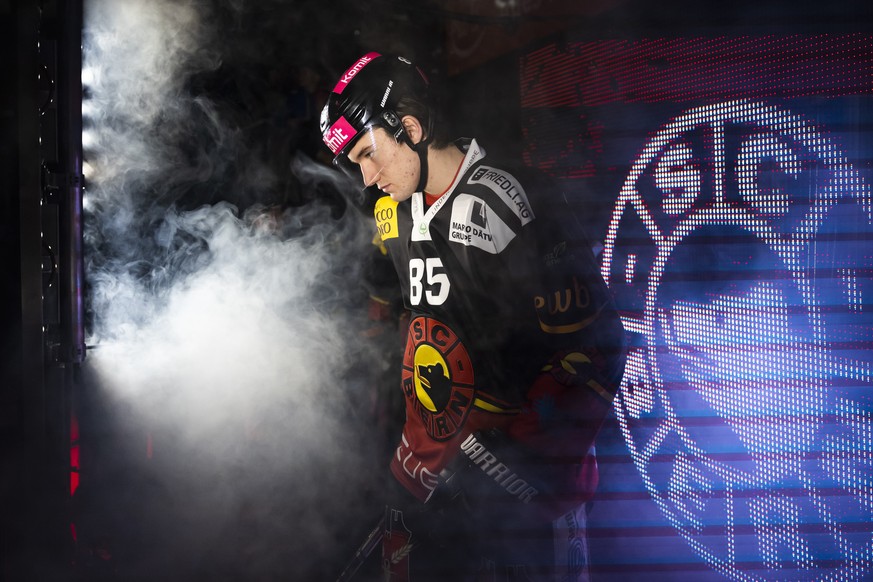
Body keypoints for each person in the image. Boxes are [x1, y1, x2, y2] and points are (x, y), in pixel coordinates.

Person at [320, 52, 626, 581]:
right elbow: (392, 307)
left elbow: (597, 351)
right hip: (421, 474)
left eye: (369, 154)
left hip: (524, 498)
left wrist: (510, 458)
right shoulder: (391, 210)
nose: (366, 178)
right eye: (355, 162)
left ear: (410, 127)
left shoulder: (514, 201)